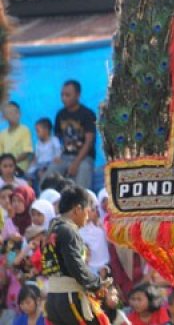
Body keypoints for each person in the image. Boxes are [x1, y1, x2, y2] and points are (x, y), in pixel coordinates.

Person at [42, 186, 112, 324]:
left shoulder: (52, 229)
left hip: (53, 299)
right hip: (70, 300)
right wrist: (98, 284)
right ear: (77, 209)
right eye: (87, 210)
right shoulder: (68, 230)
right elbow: (75, 266)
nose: (88, 215)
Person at [50, 81, 96, 190]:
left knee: (82, 178)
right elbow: (57, 139)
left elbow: (89, 142)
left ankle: (81, 203)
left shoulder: (88, 114)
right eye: (62, 95)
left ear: (78, 95)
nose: (63, 98)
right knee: (49, 175)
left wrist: (76, 163)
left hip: (84, 158)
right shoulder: (60, 114)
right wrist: (56, 155)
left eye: (67, 95)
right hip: (65, 156)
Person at [79, 191, 110, 277]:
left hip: (105, 270)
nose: (91, 212)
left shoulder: (101, 230)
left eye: (93, 209)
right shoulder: (77, 232)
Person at [27, 119, 62, 191]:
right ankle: (30, 188)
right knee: (29, 173)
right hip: (39, 163)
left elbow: (58, 151)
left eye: (38, 131)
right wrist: (31, 166)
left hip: (49, 163)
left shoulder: (54, 140)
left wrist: (57, 157)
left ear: (46, 131)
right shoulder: (38, 143)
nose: (36, 133)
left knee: (43, 173)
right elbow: (36, 157)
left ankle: (42, 189)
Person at [0, 103, 34, 173]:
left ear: (19, 114)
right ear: (5, 116)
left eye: (15, 112)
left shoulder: (24, 130)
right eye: (10, 113)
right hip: (4, 168)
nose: (13, 115)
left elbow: (27, 152)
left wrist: (11, 164)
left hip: (19, 167)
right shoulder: (2, 134)